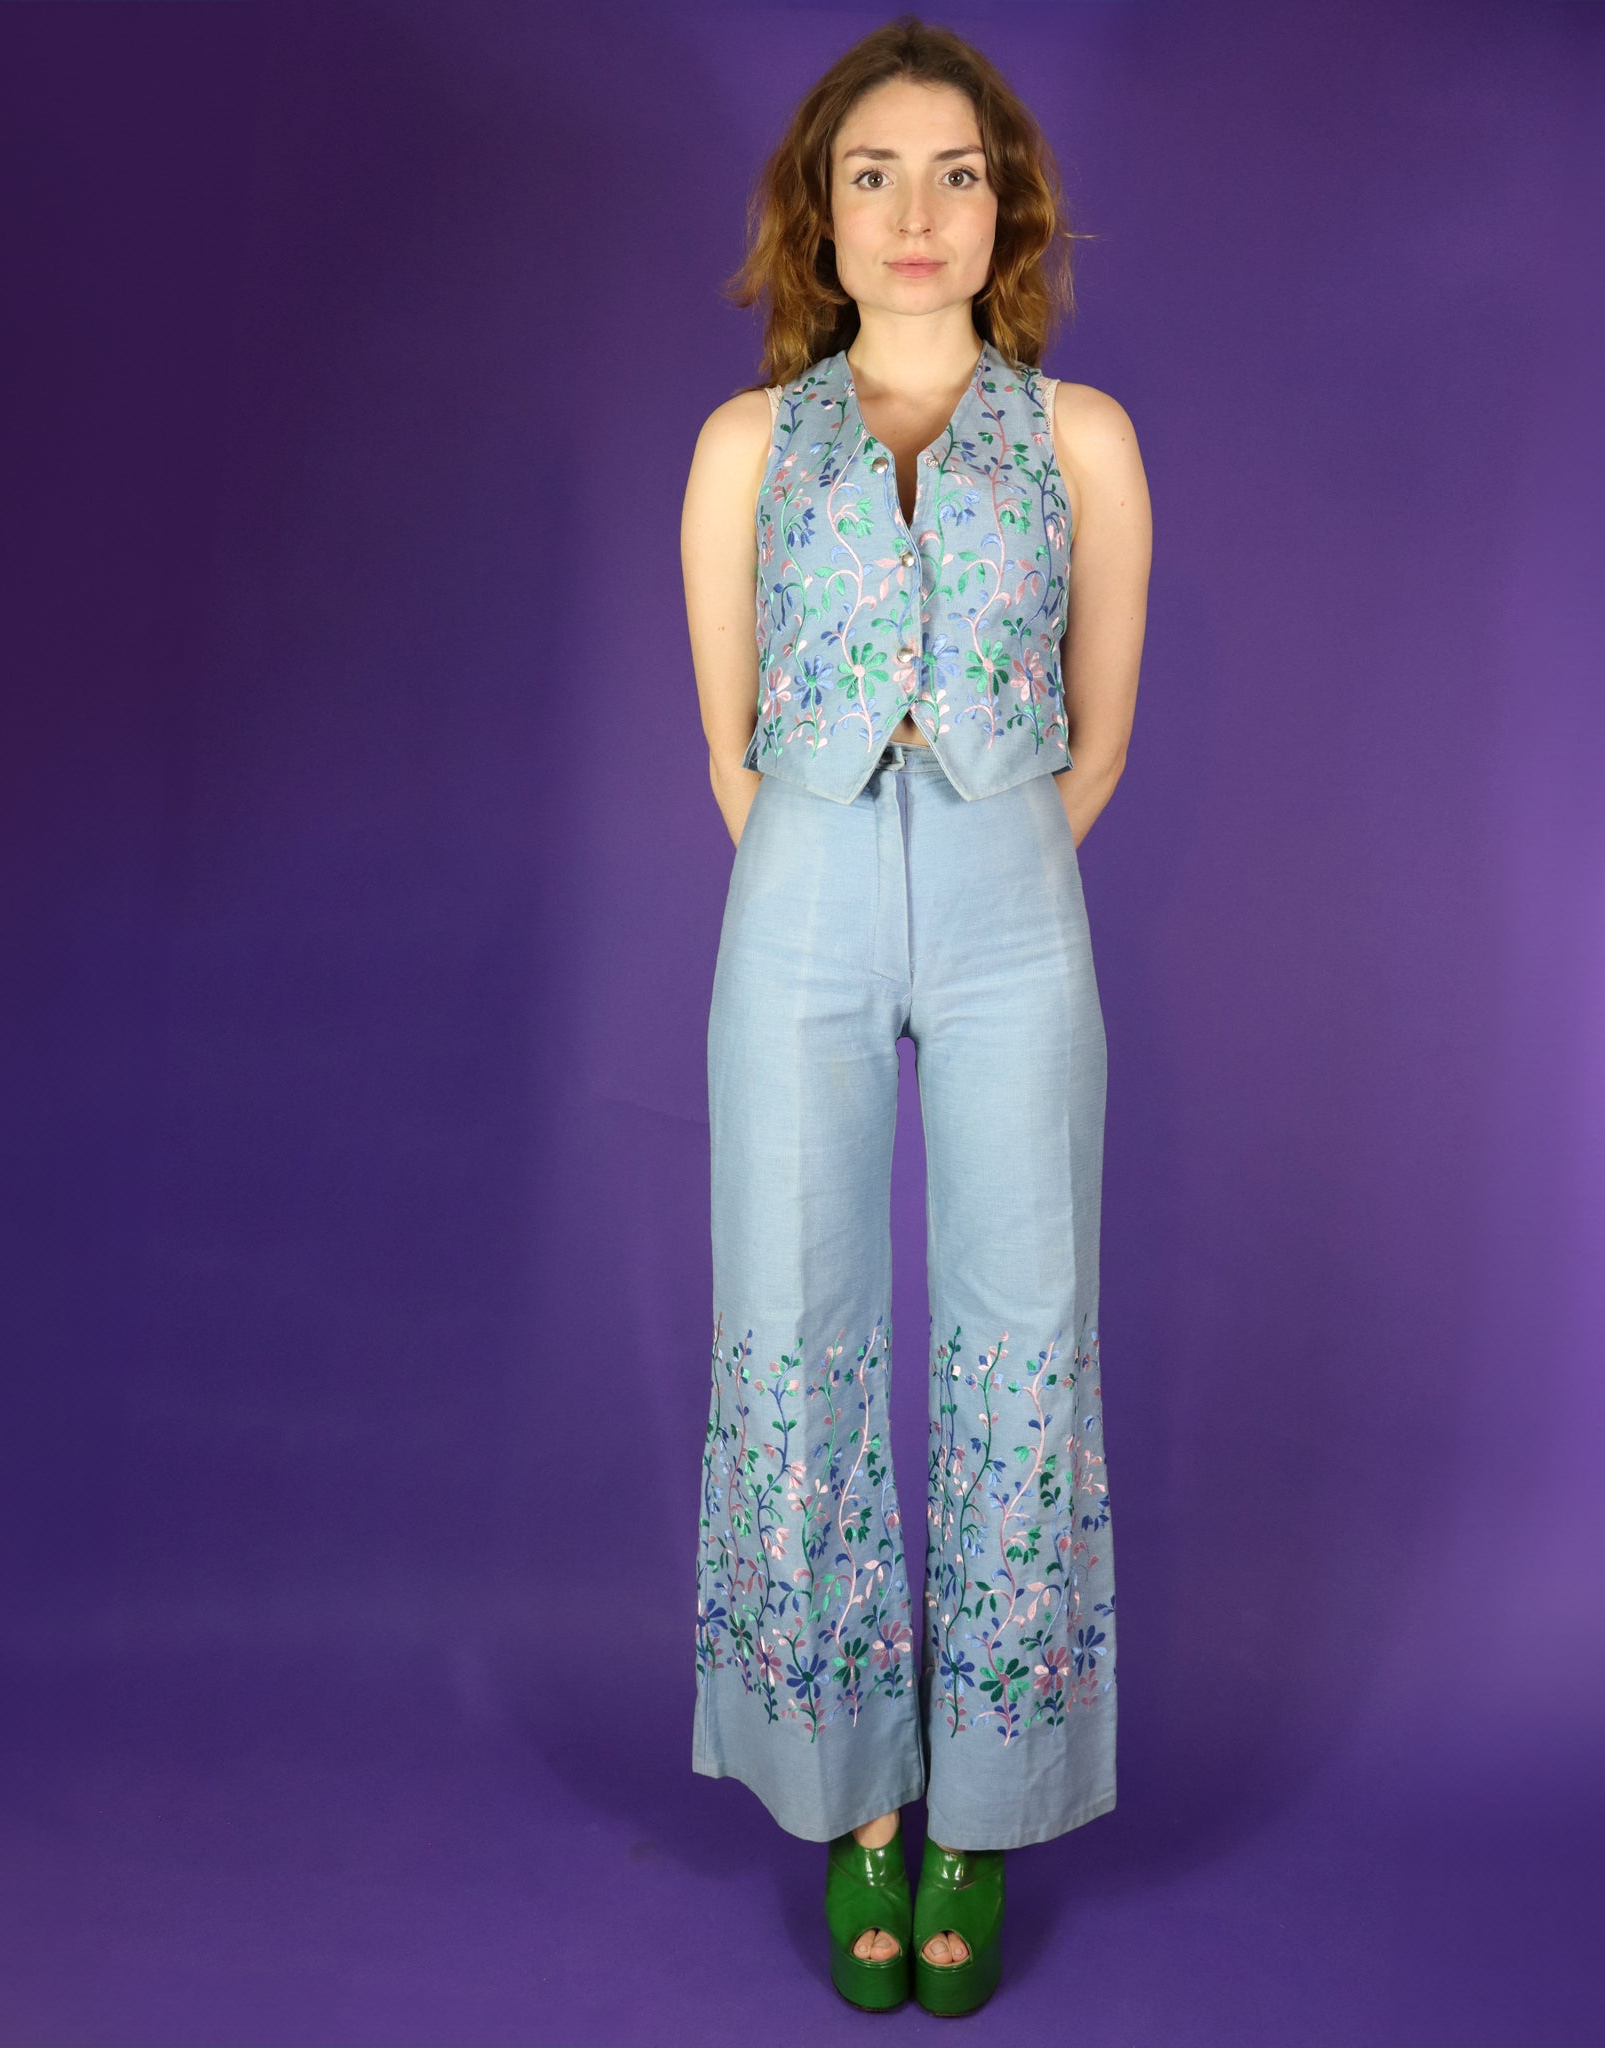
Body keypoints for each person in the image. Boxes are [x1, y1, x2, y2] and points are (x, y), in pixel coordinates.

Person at [680, 12, 1150, 2018]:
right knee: (791, 1322)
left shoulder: (1083, 438)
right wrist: (831, 870)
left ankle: (989, 1800)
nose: (913, 211)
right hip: (794, 885)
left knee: (1023, 1336)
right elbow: (729, 743)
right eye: (871, 173)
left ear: (1003, 207)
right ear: (818, 208)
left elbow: (1100, 734)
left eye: (955, 173)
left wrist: (976, 866)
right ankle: (853, 1794)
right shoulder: (742, 448)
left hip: (1009, 895)